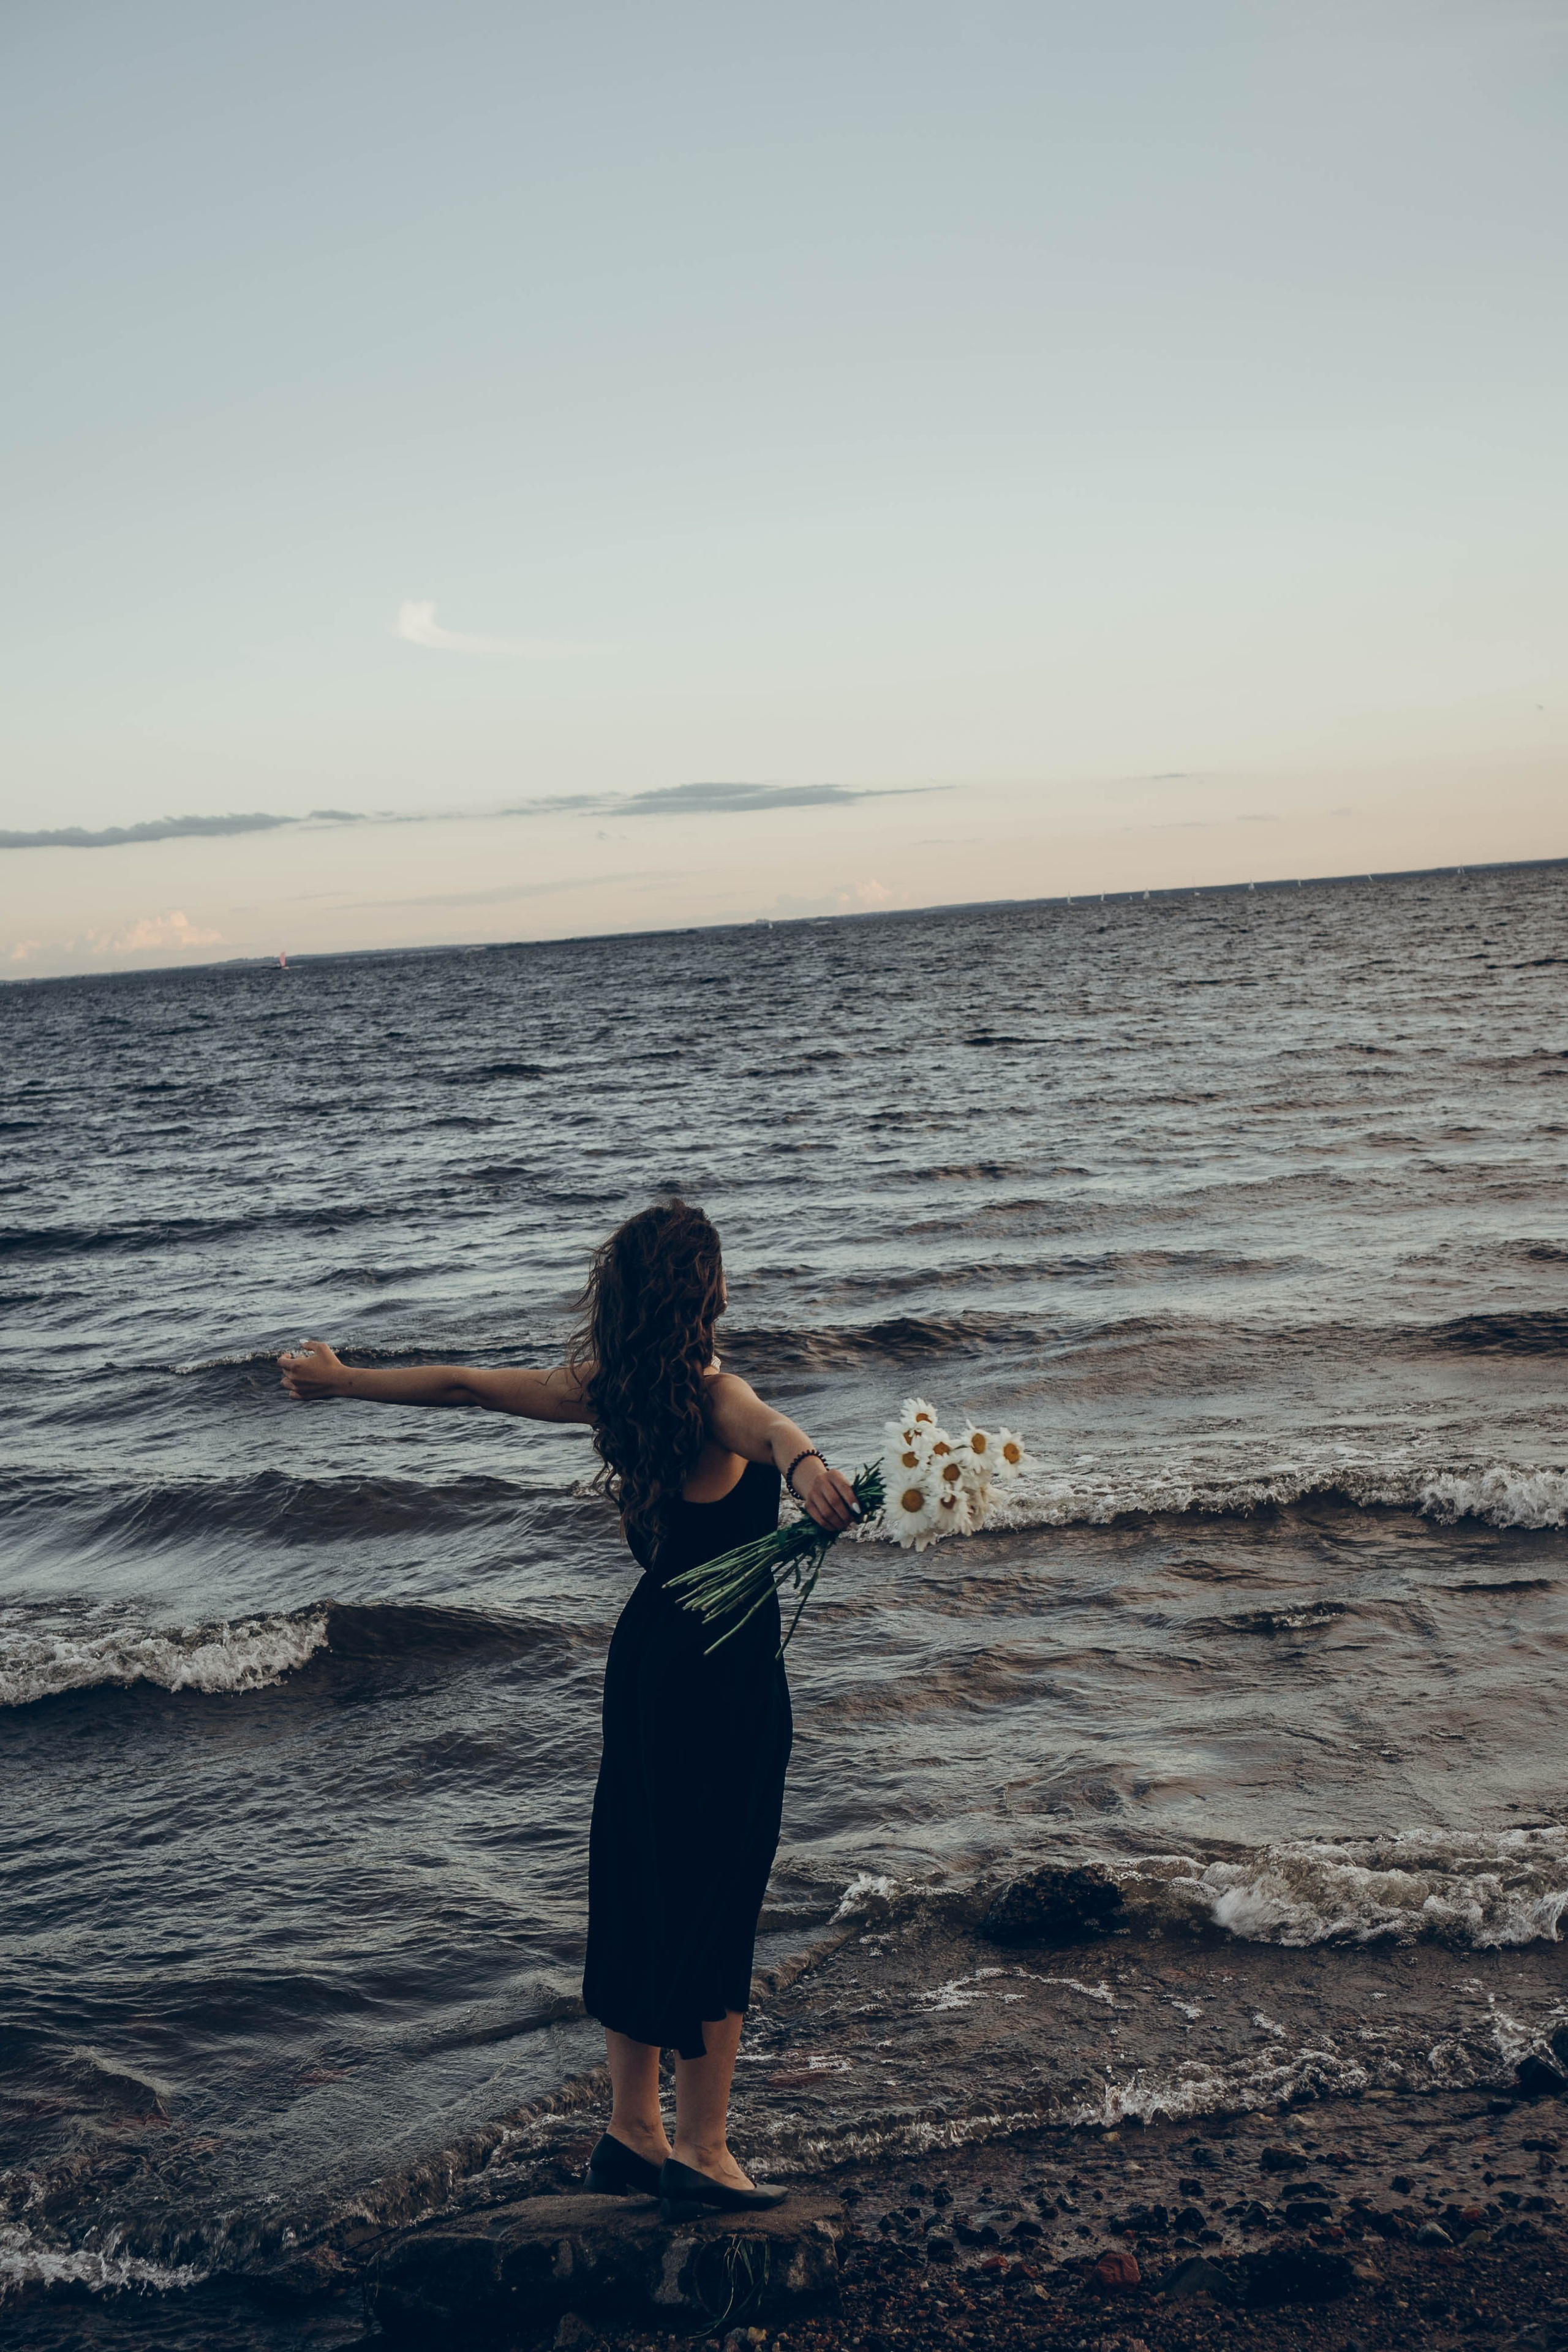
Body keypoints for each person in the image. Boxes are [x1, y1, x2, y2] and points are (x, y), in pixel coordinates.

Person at [278, 1197, 857, 2215]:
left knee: (639, 1879)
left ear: (626, 1298)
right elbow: (768, 1433)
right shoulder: (715, 1396)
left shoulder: (609, 1393)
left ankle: (634, 2132)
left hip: (643, 1670)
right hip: (720, 1679)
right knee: (715, 1893)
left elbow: (461, 1384)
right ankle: (704, 2151)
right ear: (708, 1292)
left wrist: (339, 1381)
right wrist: (808, 1466)